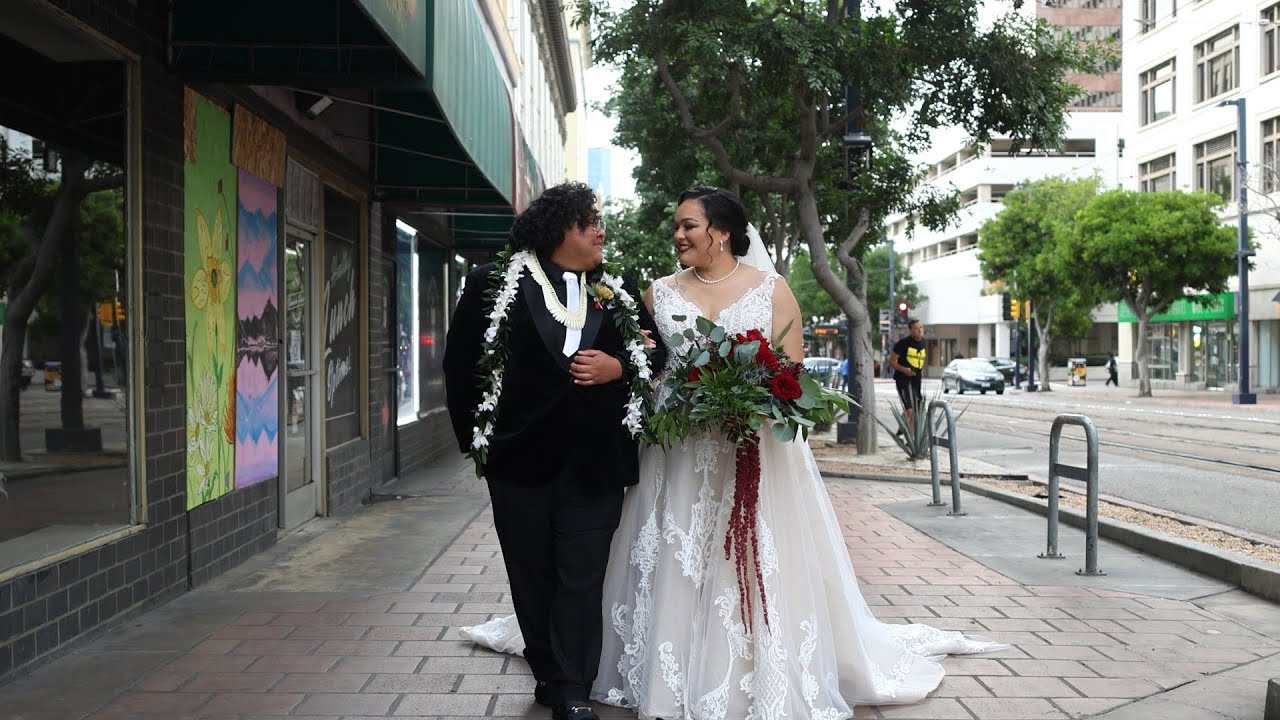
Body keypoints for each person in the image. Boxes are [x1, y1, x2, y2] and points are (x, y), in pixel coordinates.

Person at [461, 186, 1002, 719]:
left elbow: (788, 374)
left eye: (687, 226)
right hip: (675, 452)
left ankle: (736, 667)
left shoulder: (770, 290)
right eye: (676, 226)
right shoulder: (655, 292)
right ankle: (620, 669)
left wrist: (747, 404)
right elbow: (647, 363)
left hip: (750, 447)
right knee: (668, 559)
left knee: (736, 560)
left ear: (720, 233)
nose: (677, 235)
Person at [443, 181, 663, 720]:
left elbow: (653, 358)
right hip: (518, 463)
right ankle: (547, 668)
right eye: (589, 221)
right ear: (559, 226)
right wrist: (483, 447)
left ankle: (572, 686)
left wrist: (617, 366)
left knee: (582, 575)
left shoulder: (620, 288)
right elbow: (459, 368)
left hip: (597, 461)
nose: (600, 230)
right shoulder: (493, 283)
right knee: (531, 571)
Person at [888, 318, 927, 433]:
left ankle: (911, 438)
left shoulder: (923, 342)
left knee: (917, 411)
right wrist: (905, 370)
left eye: (921, 327)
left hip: (916, 380)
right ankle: (904, 430)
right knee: (909, 410)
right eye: (916, 328)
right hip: (903, 380)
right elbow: (891, 362)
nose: (919, 330)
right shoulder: (903, 344)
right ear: (911, 330)